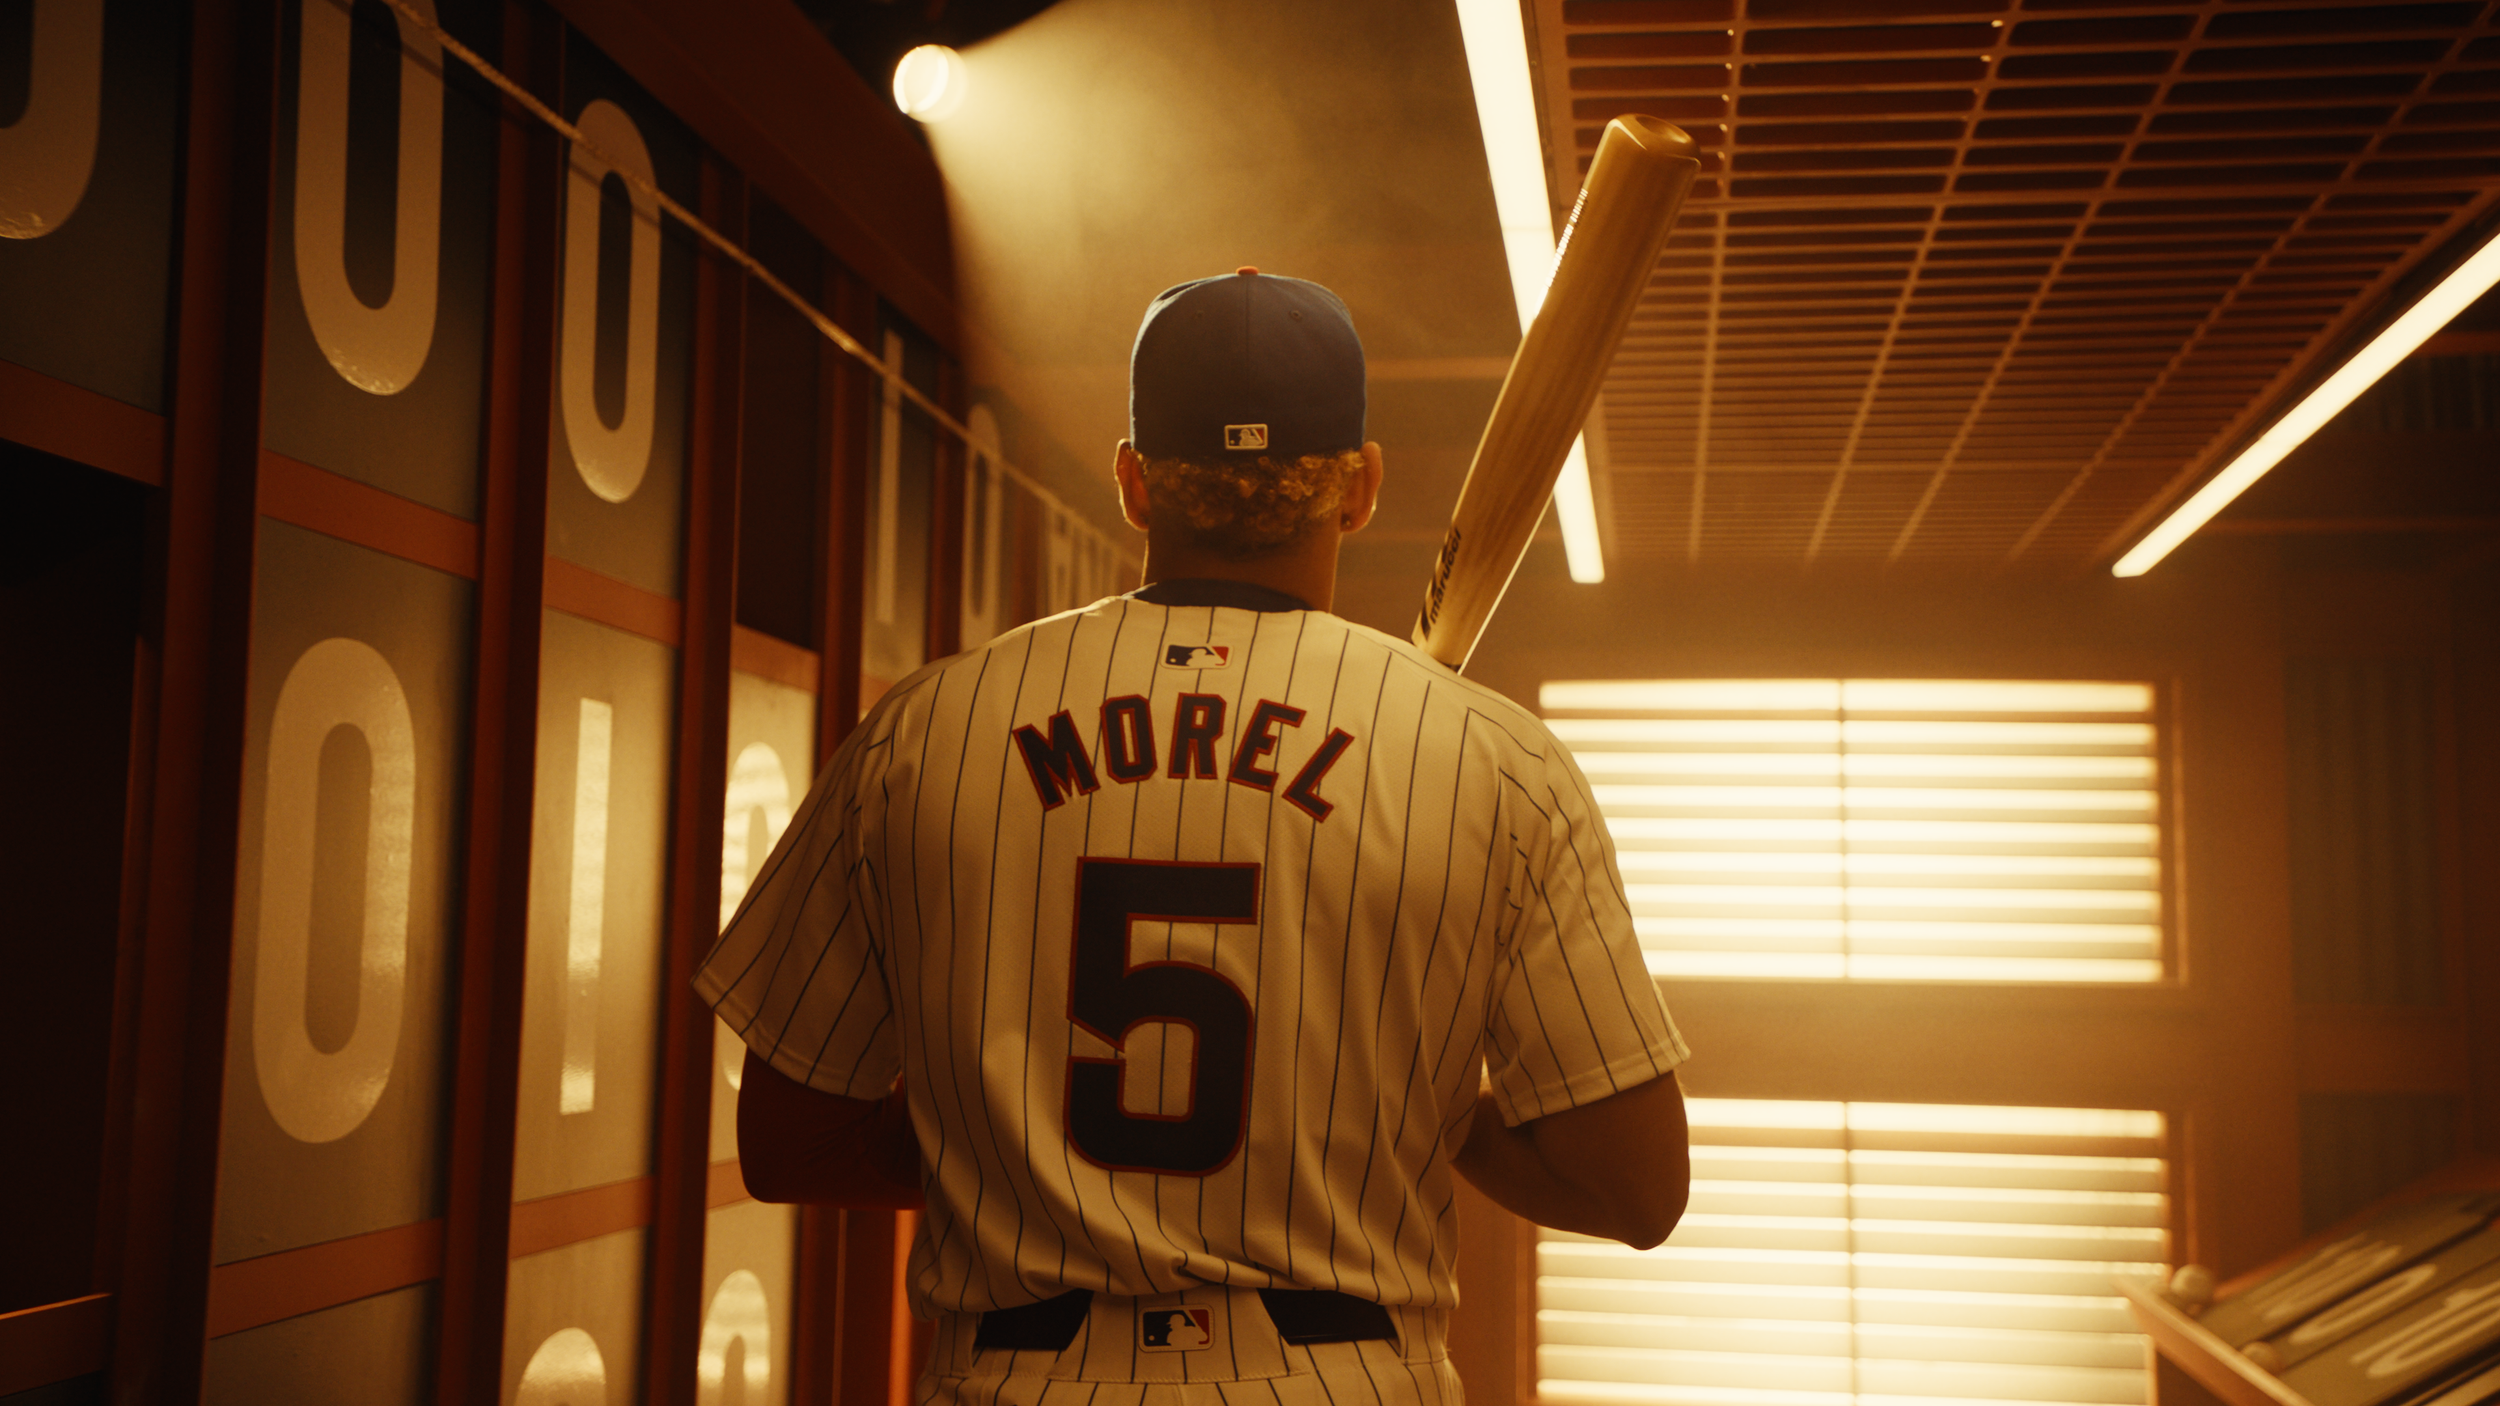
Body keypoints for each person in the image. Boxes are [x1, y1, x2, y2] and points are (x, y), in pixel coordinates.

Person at [694, 268, 1691, 1406]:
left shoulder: (925, 729)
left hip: (1013, 1378)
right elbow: (1636, 1188)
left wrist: (1003, 1143)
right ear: (1360, 486)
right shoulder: (1497, 763)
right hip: (1346, 1380)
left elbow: (788, 1141)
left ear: (1132, 481)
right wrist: (1439, 1110)